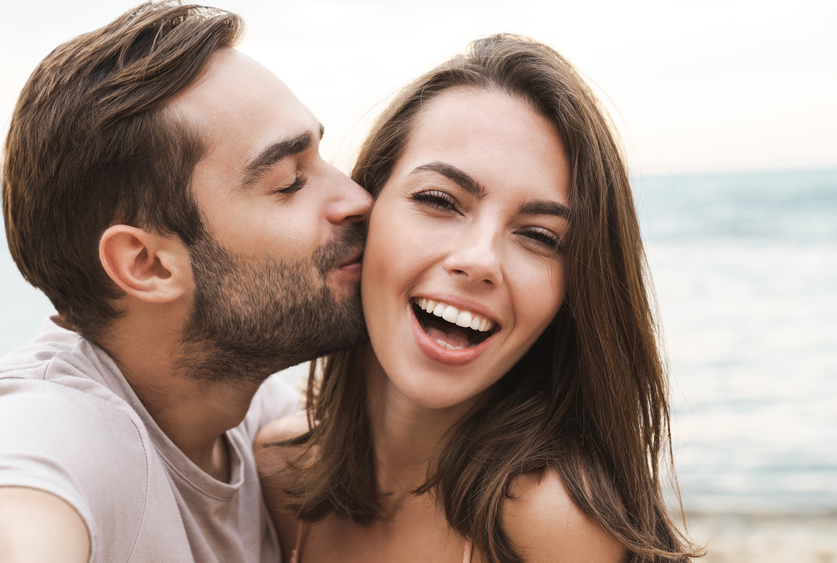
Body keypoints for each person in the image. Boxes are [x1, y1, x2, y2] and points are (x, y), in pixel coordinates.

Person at [0, 2, 372, 562]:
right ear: (147, 264)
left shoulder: (241, 410)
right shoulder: (56, 428)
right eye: (289, 182)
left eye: (321, 158)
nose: (357, 198)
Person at [256, 34, 703, 562]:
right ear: (366, 208)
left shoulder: (547, 522)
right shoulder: (278, 469)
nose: (480, 259)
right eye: (440, 200)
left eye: (540, 236)